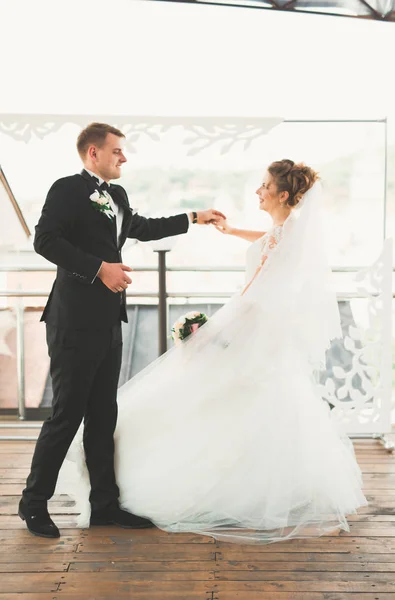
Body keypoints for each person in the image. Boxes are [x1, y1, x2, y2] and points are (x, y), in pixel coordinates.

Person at [61, 159, 367, 544]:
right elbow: (269, 241)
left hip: (253, 331)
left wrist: (214, 330)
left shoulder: (285, 236)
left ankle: (223, 486)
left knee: (212, 399)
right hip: (265, 336)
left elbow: (254, 292)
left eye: (264, 185)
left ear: (282, 194)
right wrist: (231, 229)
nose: (258, 190)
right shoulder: (288, 231)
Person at [19, 122, 225, 538]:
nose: (124, 159)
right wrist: (99, 269)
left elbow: (141, 228)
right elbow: (44, 240)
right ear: (93, 153)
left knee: (102, 415)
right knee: (66, 415)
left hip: (109, 320)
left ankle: (105, 507)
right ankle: (33, 503)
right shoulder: (66, 189)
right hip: (73, 321)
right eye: (117, 152)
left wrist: (194, 217)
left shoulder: (117, 195)